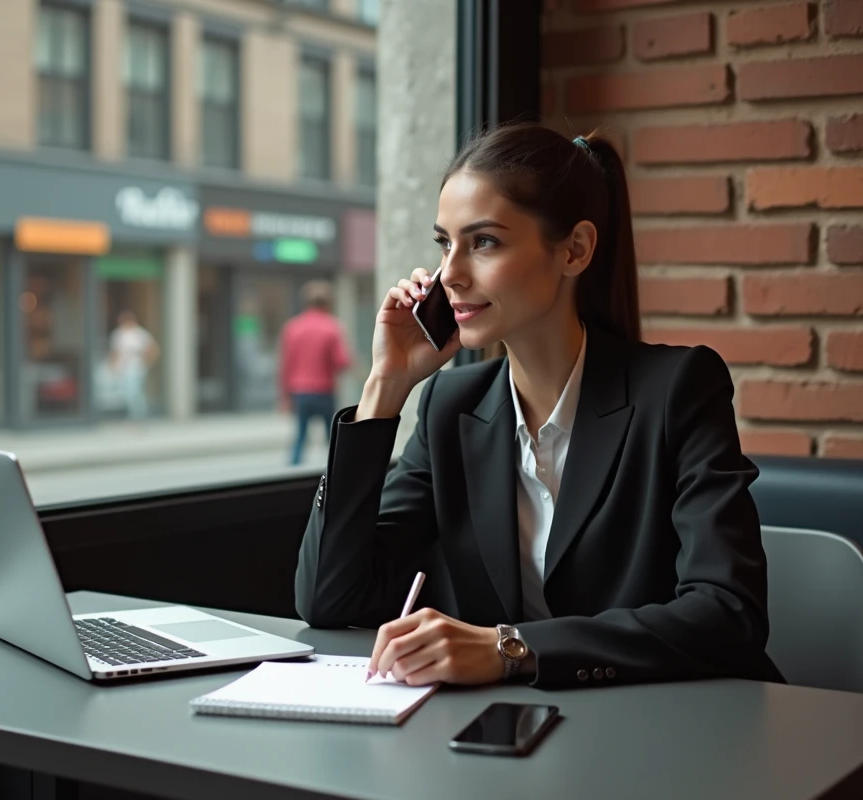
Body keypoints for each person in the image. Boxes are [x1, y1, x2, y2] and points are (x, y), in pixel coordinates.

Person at [294, 123, 784, 690]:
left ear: (574, 250)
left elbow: (729, 614)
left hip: (671, 728)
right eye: (443, 244)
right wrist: (385, 387)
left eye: (484, 242)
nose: (449, 274)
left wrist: (510, 648)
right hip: (521, 735)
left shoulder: (677, 389)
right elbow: (329, 598)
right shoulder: (450, 407)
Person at [279, 281, 353, 465]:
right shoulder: (332, 327)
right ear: (328, 303)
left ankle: (293, 472)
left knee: (300, 435)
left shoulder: (292, 327)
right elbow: (342, 361)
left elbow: (285, 365)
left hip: (299, 391)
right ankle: (336, 473)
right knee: (332, 438)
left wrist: (284, 396)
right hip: (324, 390)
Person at [109, 311, 158, 419]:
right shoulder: (118, 334)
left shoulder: (140, 334)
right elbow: (115, 352)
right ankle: (133, 416)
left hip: (136, 367)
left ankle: (138, 417)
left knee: (134, 392)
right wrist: (114, 366)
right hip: (122, 368)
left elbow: (152, 349)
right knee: (126, 393)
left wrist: (147, 362)